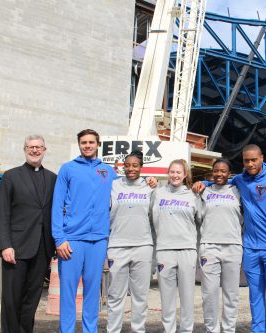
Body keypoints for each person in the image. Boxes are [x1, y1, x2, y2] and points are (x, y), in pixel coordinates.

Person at [194, 144, 266, 333]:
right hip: (250, 247)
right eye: (246, 160)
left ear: (262, 158)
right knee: (255, 295)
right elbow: (220, 181)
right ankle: (258, 330)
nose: (250, 164)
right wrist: (206, 183)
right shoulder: (240, 181)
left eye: (254, 160)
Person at [52, 129, 117, 333]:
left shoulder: (108, 171)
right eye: (83, 142)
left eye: (91, 142)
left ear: (98, 144)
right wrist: (59, 238)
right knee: (68, 293)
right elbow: (56, 205)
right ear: (79, 145)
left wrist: (148, 182)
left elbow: (127, 191)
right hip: (71, 240)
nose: (87, 145)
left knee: (92, 293)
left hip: (98, 240)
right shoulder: (67, 169)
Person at [0, 134, 56, 333]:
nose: (35, 150)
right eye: (31, 147)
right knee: (12, 300)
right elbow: (3, 213)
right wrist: (5, 245)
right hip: (16, 248)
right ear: (25, 150)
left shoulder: (53, 178)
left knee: (31, 300)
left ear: (44, 150)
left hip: (42, 248)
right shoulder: (11, 176)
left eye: (39, 147)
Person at [106, 150, 154, 333]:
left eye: (135, 165)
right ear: (123, 167)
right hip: (117, 246)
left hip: (142, 246)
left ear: (141, 168)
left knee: (140, 296)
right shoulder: (113, 185)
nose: (131, 169)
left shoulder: (149, 187)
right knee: (115, 296)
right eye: (127, 165)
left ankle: (138, 330)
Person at [151, 159, 201, 333]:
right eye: (172, 172)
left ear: (185, 174)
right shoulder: (158, 193)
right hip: (165, 250)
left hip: (187, 250)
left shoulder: (193, 195)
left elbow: (200, 221)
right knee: (167, 297)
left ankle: (186, 330)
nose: (175, 175)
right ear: (168, 173)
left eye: (179, 172)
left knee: (187, 297)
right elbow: (152, 220)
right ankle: (169, 330)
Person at [199, 158, 243, 333]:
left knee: (231, 294)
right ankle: (212, 329)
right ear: (212, 172)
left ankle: (229, 329)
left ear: (229, 174)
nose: (219, 174)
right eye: (216, 170)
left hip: (232, 246)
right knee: (209, 294)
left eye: (223, 171)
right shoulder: (203, 191)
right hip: (209, 246)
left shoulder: (238, 191)